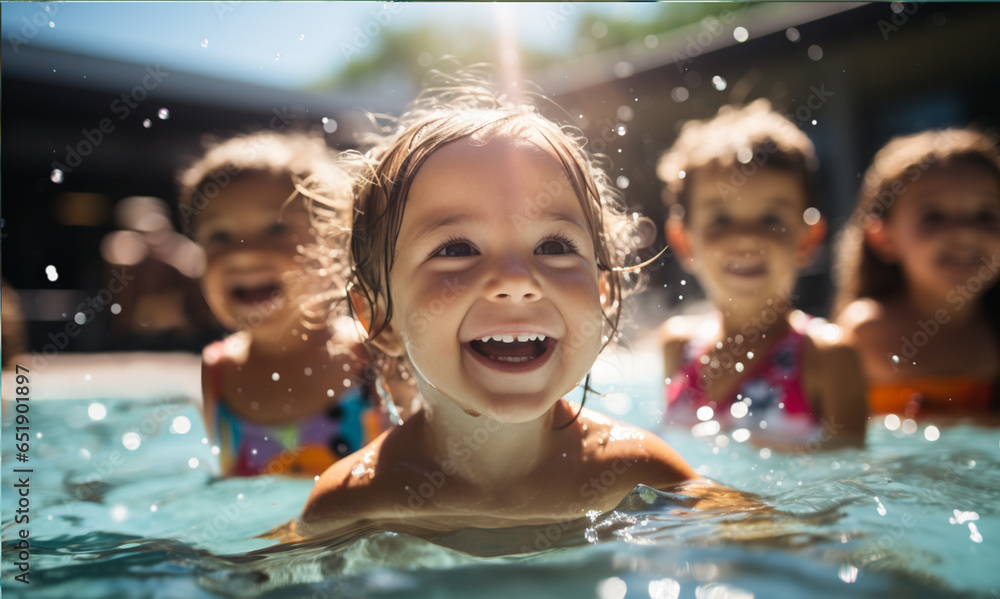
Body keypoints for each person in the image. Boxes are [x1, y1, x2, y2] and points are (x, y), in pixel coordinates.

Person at [297, 75, 699, 538]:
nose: (516, 281)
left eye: (552, 245)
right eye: (455, 249)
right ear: (376, 318)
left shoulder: (640, 474)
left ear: (603, 292)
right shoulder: (356, 500)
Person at [178, 130, 406, 477]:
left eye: (276, 229)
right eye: (218, 236)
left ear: (335, 244)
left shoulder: (376, 356)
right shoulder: (216, 373)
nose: (243, 252)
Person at [655, 100, 867, 449]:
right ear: (683, 240)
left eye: (771, 219)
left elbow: (845, 487)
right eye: (721, 220)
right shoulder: (677, 346)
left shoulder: (827, 357)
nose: (746, 238)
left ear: (808, 237)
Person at [834, 128, 1000, 417]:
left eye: (985, 215)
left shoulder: (993, 329)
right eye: (933, 216)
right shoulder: (865, 333)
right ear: (883, 238)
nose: (964, 233)